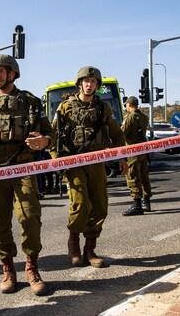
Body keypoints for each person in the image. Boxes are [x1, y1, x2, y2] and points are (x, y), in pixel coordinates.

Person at [0, 54, 55, 296]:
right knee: (0, 223)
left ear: (13, 73)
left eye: (1, 71)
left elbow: (50, 133)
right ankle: (8, 268)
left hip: (24, 169)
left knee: (30, 217)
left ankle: (32, 267)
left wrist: (45, 140)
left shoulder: (30, 102)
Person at [51, 66, 128, 268]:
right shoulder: (65, 107)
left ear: (97, 85)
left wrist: (122, 157)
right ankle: (74, 243)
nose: (89, 84)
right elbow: (53, 137)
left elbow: (117, 134)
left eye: (93, 82)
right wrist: (57, 159)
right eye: (86, 81)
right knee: (81, 204)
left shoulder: (103, 108)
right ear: (79, 84)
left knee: (100, 206)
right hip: (74, 163)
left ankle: (90, 249)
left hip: (97, 162)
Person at [120, 96, 152, 216]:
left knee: (132, 175)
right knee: (144, 176)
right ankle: (146, 201)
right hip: (143, 150)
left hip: (132, 150)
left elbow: (123, 133)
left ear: (129, 105)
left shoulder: (130, 117)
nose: (126, 108)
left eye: (126, 105)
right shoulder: (144, 117)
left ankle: (137, 204)